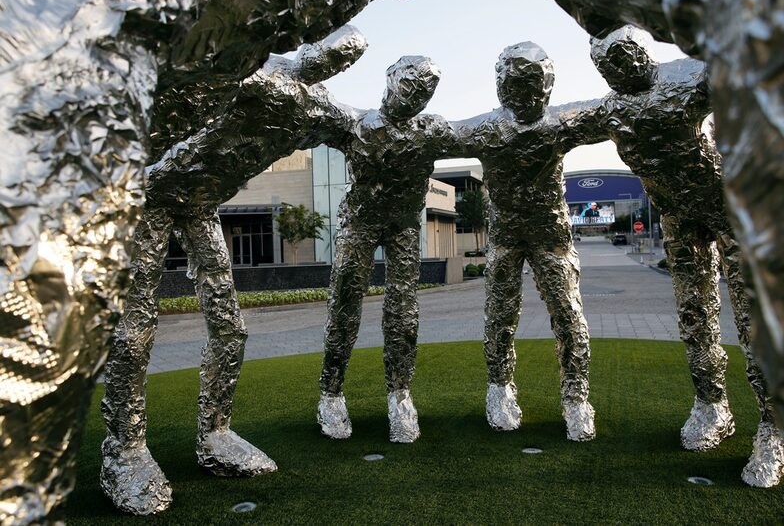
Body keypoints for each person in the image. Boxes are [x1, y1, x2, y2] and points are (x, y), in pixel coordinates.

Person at [100, 26, 367, 514]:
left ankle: (216, 434)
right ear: (310, 47)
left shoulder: (318, 106)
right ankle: (125, 450)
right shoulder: (252, 72)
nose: (338, 58)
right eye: (335, 48)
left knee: (231, 329)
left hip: (200, 207)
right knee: (135, 332)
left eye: (347, 56)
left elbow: (372, 129)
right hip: (149, 198)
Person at [590, 26, 784, 487]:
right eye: (608, 64)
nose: (621, 67)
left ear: (644, 53)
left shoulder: (684, 84)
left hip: (733, 210)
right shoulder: (612, 111)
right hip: (679, 221)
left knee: (754, 319)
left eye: (627, 54)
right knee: (694, 316)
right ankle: (711, 405)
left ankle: (775, 425)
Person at [455, 42, 607, 441]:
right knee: (500, 317)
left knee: (569, 316)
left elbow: (611, 113)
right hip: (506, 236)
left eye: (532, 84)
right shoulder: (486, 129)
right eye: (516, 85)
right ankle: (499, 390)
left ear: (546, 87)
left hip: (551, 236)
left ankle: (576, 400)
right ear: (503, 88)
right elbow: (435, 136)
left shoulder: (558, 124)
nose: (523, 94)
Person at [317, 56, 458, 443]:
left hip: (402, 228)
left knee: (404, 308)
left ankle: (399, 393)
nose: (415, 96)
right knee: (344, 304)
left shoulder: (430, 130)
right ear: (391, 80)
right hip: (358, 226)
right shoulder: (356, 124)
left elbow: (486, 134)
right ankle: (331, 393)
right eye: (409, 85)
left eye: (424, 92)